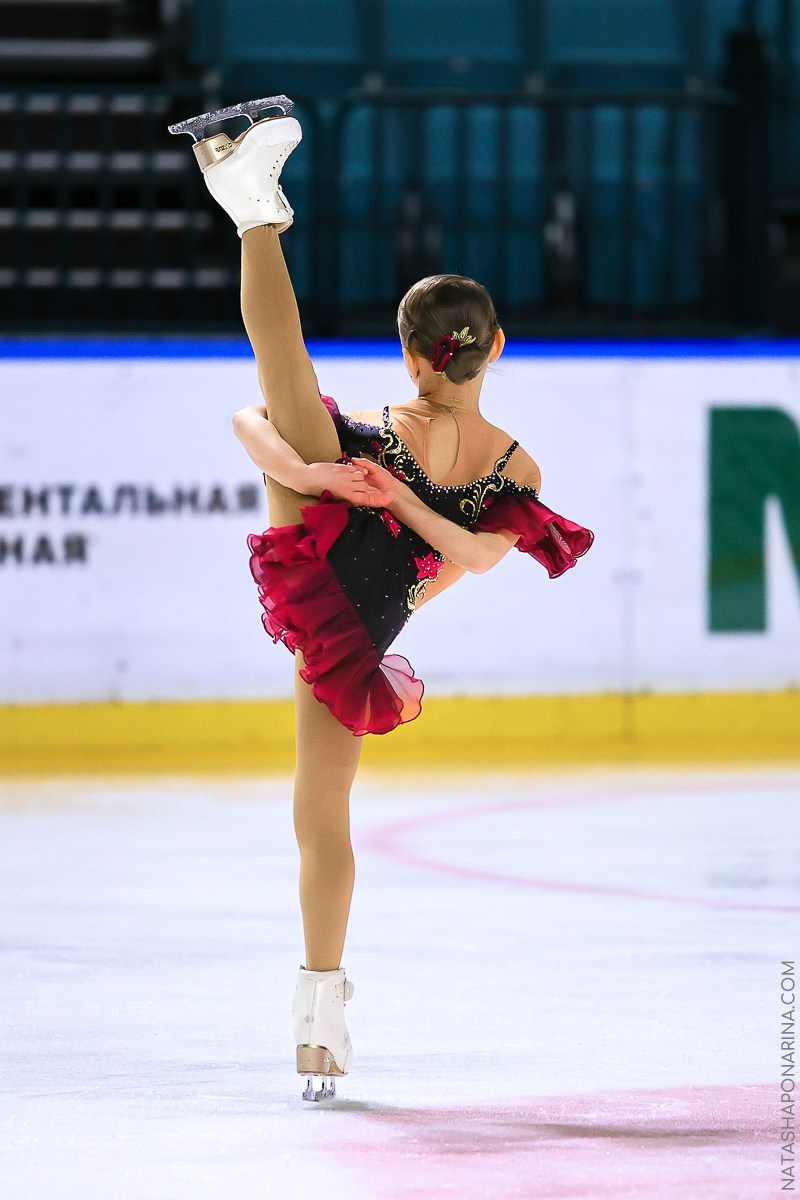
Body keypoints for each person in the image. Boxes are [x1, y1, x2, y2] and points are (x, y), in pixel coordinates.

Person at [170, 96, 594, 1102]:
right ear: (494, 348)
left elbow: (255, 409)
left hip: (330, 566)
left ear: (412, 354)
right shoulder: (514, 468)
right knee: (325, 816)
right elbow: (470, 561)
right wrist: (335, 487)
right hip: (356, 611)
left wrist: (354, 484)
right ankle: (318, 1021)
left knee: (285, 378)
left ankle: (254, 212)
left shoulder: (372, 433)